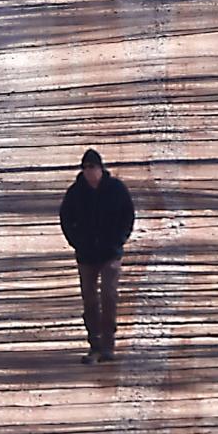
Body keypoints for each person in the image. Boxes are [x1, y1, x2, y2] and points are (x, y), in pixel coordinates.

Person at [59, 147, 135, 364]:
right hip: (86, 254)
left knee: (109, 295)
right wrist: (77, 242)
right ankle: (94, 343)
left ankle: (108, 344)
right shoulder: (75, 193)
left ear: (101, 169)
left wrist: (119, 240)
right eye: (85, 168)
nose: (89, 172)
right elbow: (66, 219)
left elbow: (127, 216)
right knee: (90, 299)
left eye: (92, 168)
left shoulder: (116, 189)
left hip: (110, 252)